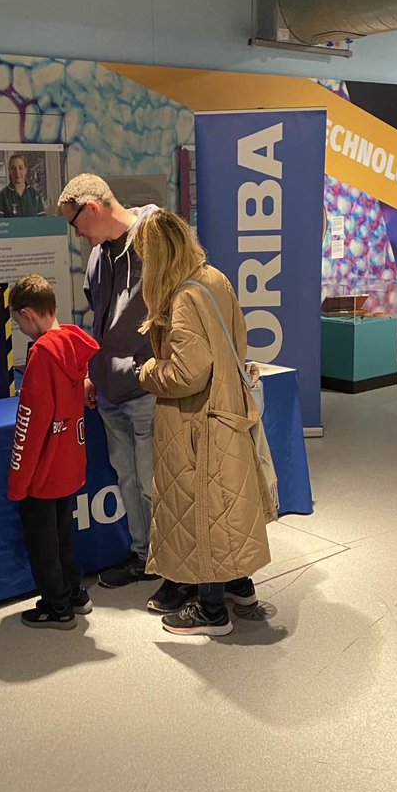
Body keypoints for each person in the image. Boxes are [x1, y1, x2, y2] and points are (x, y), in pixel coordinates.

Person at [134, 209, 275, 636]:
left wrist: (147, 372)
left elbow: (186, 372)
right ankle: (239, 587)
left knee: (204, 512)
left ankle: (211, 610)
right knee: (225, 509)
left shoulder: (182, 298)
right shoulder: (214, 279)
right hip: (226, 411)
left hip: (198, 422)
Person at [57, 174, 188, 615]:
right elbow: (98, 321)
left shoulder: (154, 239)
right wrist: (92, 372)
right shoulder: (97, 258)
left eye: (75, 222)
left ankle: (174, 568)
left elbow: (168, 310)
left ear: (91, 209)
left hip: (147, 387)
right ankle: (142, 556)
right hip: (110, 390)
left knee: (155, 482)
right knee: (127, 478)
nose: (76, 233)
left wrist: (144, 365)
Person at [6, 274, 99, 629]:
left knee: (43, 539)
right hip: (68, 462)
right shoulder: (74, 345)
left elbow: (30, 423)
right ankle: (74, 591)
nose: (20, 328)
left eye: (17, 322)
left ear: (29, 314)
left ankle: (56, 604)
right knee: (63, 532)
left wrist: (18, 479)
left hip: (43, 469)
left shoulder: (42, 355)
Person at [0, 153, 44, 218]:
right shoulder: (3, 195)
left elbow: (43, 222)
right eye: (14, 168)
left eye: (20, 168)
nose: (17, 172)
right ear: (9, 171)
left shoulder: (35, 195)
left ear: (25, 170)